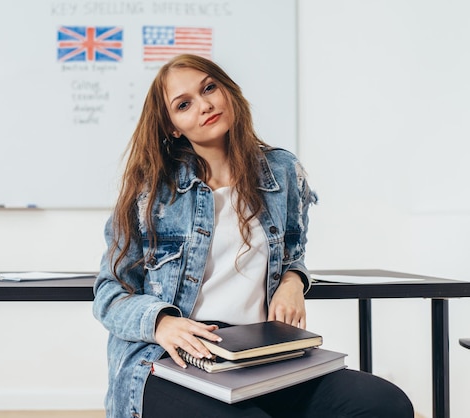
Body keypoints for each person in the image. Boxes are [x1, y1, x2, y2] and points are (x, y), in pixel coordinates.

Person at [93, 54, 414, 418]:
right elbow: (109, 292)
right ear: (173, 127)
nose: (205, 105)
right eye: (184, 104)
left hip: (262, 352)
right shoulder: (151, 192)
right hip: (170, 359)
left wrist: (294, 279)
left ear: (228, 90)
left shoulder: (282, 172)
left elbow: (292, 253)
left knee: (385, 403)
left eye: (209, 88)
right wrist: (161, 323)